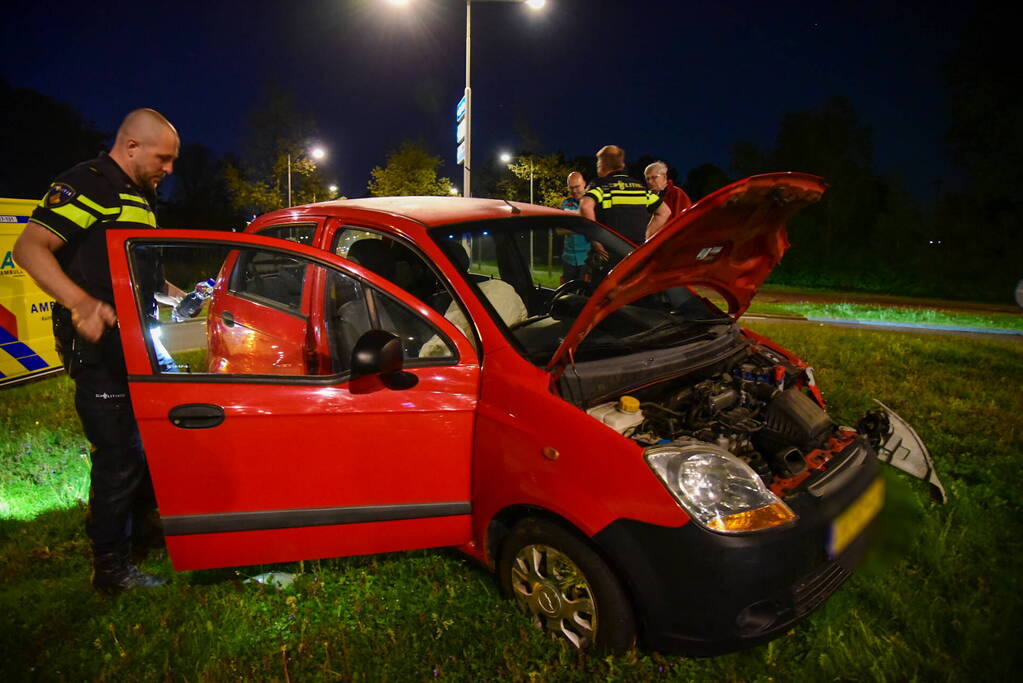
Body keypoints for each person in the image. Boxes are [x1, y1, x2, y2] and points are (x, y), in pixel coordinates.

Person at [13, 108, 182, 594]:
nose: (168, 170)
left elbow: (134, 272)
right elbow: (30, 249)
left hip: (134, 344)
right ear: (131, 146)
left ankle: (146, 531)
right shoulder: (88, 184)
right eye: (163, 159)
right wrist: (81, 303)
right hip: (100, 350)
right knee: (118, 455)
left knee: (148, 444)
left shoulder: (139, 197)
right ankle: (110, 568)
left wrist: (180, 292)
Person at [579, 145, 670, 245]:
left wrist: (595, 240)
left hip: (610, 253)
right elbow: (665, 212)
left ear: (602, 165)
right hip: (635, 253)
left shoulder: (600, 186)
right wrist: (646, 236)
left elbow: (585, 205)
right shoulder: (640, 188)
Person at [557, 171, 591, 282]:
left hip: (587, 259)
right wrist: (581, 227)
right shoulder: (565, 204)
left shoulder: (592, 203)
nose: (574, 191)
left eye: (577, 187)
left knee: (584, 294)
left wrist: (570, 228)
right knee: (567, 293)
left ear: (584, 184)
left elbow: (593, 228)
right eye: (571, 188)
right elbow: (559, 230)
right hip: (568, 259)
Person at [644, 160, 692, 226]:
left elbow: (686, 221)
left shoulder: (677, 194)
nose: (649, 182)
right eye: (647, 179)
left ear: (664, 177)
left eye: (654, 177)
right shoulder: (646, 198)